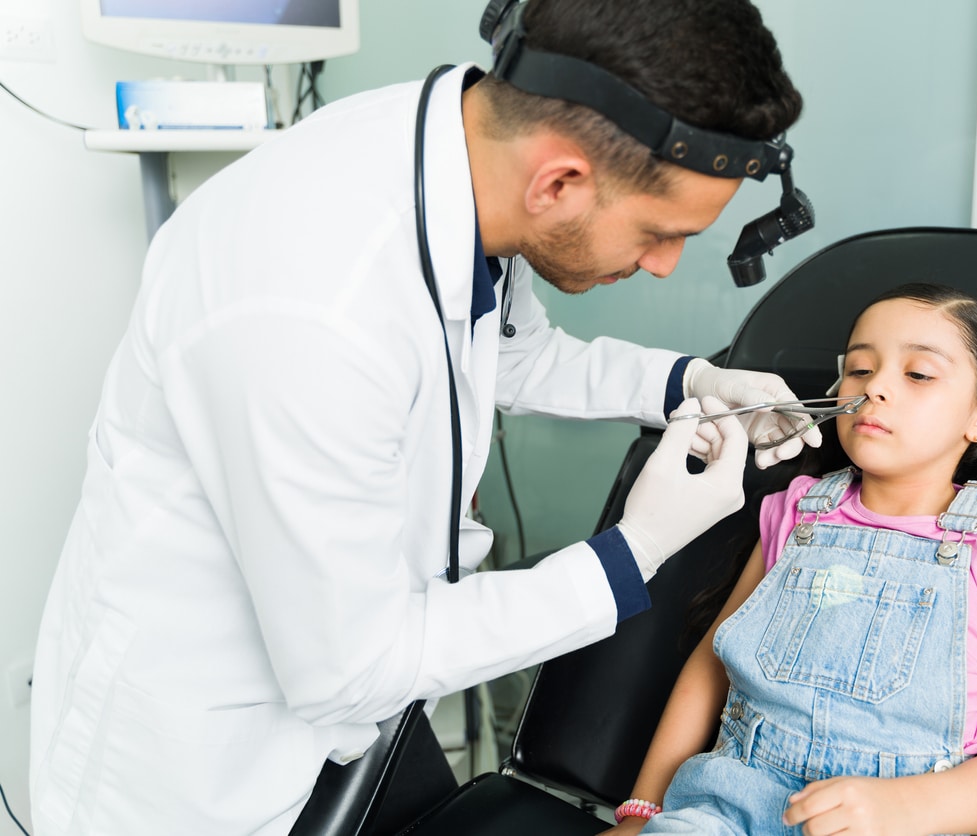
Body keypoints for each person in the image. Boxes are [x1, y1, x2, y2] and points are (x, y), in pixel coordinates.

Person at [28, 1, 821, 833]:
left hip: (355, 713)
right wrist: (634, 552)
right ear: (558, 181)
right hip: (206, 766)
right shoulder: (307, 311)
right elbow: (351, 666)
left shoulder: (461, 156)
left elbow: (510, 352)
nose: (665, 268)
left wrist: (691, 381)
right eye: (660, 234)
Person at [603, 284, 977, 836]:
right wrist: (643, 812)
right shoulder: (795, 512)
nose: (875, 387)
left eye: (919, 374)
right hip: (721, 813)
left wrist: (905, 808)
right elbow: (711, 665)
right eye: (860, 369)